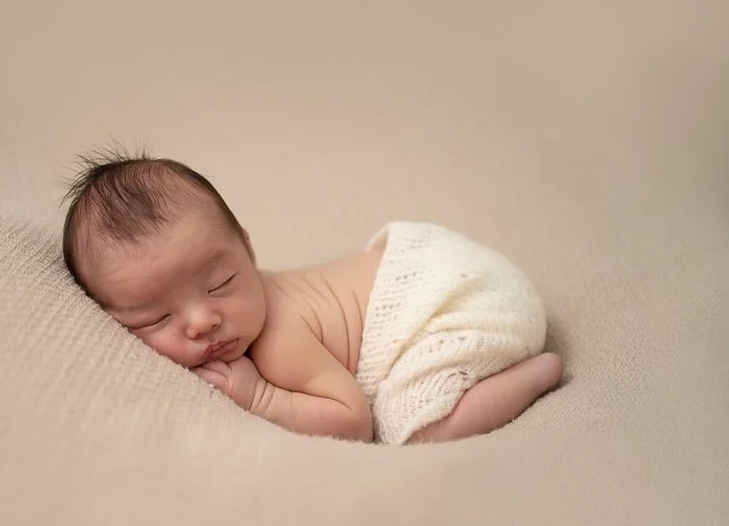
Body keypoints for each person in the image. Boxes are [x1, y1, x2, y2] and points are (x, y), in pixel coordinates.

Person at [61, 149, 563, 445]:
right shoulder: (236, 311)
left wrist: (261, 397)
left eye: (221, 285)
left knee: (411, 431)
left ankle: (534, 374)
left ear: (249, 250)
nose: (202, 321)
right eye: (155, 318)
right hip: (454, 267)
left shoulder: (278, 338)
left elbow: (353, 420)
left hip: (460, 302)